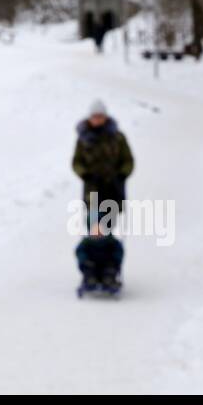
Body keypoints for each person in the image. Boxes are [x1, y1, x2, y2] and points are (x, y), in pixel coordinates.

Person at [71, 100, 135, 292]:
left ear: (105, 117)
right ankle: (91, 271)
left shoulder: (117, 137)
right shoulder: (83, 138)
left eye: (100, 116)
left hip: (112, 191)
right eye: (94, 116)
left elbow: (128, 160)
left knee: (106, 231)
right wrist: (84, 174)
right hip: (92, 192)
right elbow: (76, 162)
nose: (97, 120)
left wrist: (122, 174)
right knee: (94, 229)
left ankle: (108, 271)